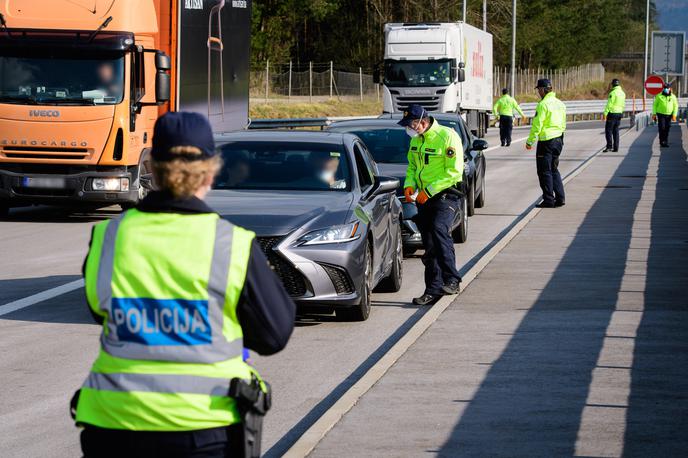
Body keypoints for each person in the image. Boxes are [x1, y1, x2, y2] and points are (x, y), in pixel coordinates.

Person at [72, 112, 296, 458]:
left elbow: (98, 309)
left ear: (152, 166)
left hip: (114, 426)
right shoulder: (231, 243)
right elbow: (274, 333)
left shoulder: (109, 236)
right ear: (209, 169)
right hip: (202, 430)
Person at [400, 104, 463, 306]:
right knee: (428, 244)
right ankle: (433, 289)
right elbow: (412, 166)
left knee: (439, 231)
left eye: (411, 124)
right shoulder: (416, 140)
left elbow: (454, 172)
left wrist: (429, 191)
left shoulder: (447, 136)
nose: (409, 128)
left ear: (423, 122)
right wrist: (409, 185)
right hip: (422, 199)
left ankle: (452, 279)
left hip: (445, 196)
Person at [525, 79, 567, 208]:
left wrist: (530, 141)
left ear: (543, 89)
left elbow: (537, 125)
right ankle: (560, 198)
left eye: (539, 90)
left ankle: (549, 199)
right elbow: (563, 122)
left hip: (546, 141)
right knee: (554, 169)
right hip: (559, 139)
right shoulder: (560, 104)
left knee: (544, 171)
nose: (538, 92)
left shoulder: (543, 105)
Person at [652, 82, 678, 147]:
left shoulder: (673, 96)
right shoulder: (659, 96)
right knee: (662, 127)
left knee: (667, 128)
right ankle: (662, 141)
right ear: (663, 88)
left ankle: (665, 141)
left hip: (669, 115)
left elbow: (675, 106)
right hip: (661, 114)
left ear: (670, 88)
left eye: (667, 88)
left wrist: (674, 115)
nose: (666, 89)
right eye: (665, 88)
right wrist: (654, 114)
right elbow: (655, 105)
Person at [603, 78, 626, 152]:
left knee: (608, 130)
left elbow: (609, 104)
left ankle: (609, 146)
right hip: (619, 114)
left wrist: (605, 113)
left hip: (612, 113)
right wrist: (621, 112)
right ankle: (616, 148)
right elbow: (623, 104)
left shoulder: (612, 93)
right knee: (616, 131)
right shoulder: (622, 93)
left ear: (612, 84)